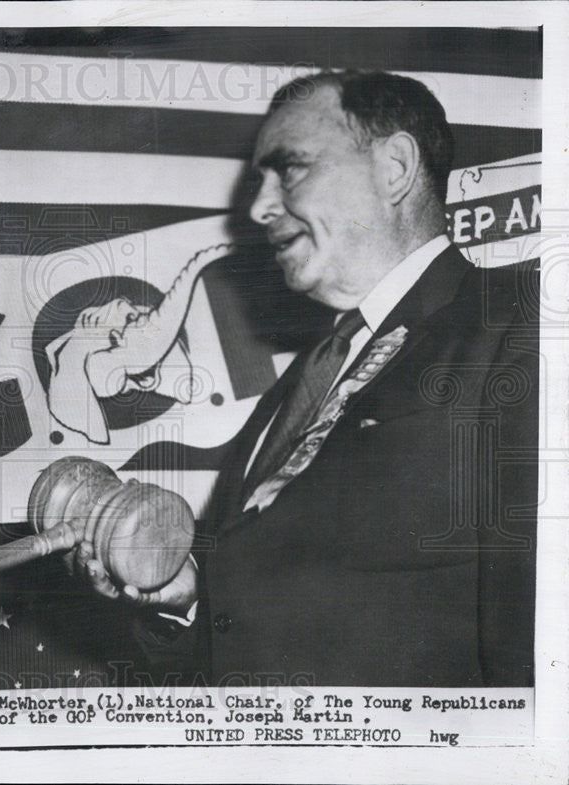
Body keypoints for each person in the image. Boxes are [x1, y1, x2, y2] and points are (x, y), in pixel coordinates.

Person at [84, 70, 537, 687]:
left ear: (395, 167)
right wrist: (185, 598)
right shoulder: (302, 382)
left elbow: (537, 642)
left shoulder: (520, 323)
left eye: (289, 168)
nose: (259, 206)